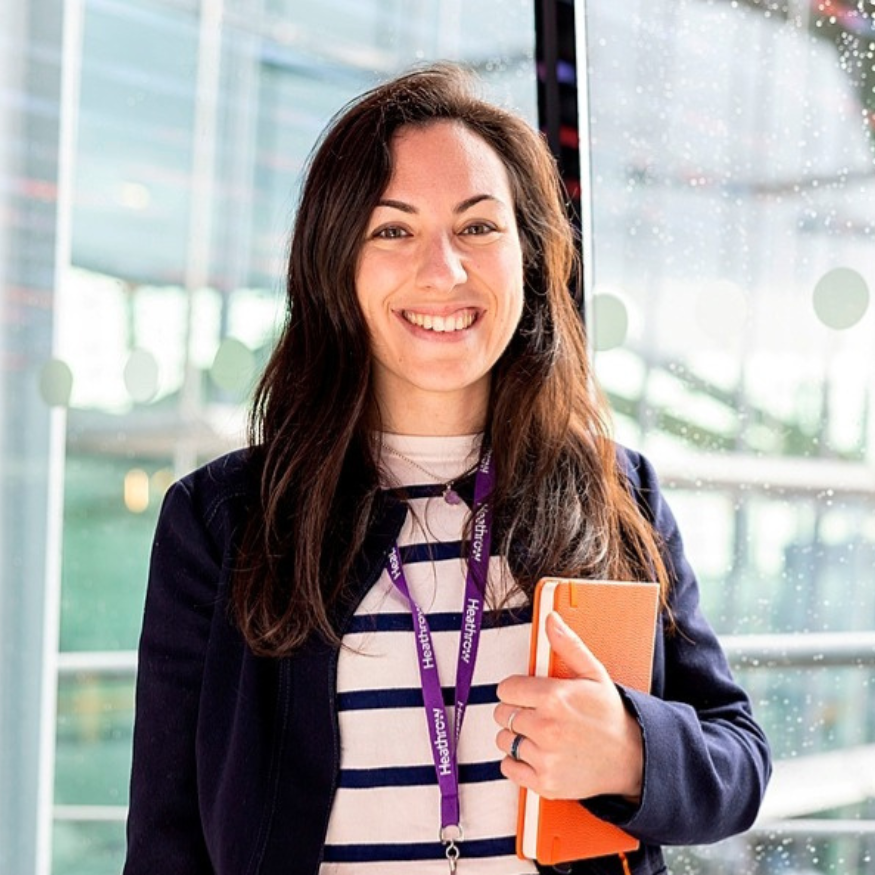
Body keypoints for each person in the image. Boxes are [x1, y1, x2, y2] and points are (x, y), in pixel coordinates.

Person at [123, 63, 771, 875]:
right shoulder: (226, 517)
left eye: (477, 228)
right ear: (337, 264)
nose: (444, 270)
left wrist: (633, 749)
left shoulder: (611, 491)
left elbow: (738, 759)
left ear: (531, 256)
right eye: (393, 230)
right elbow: (165, 836)